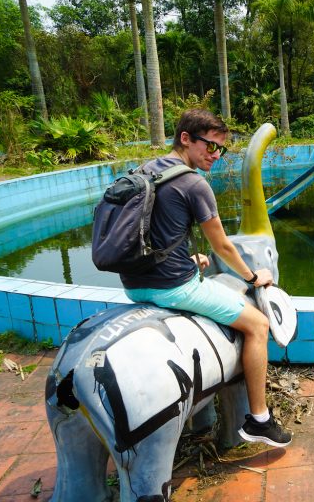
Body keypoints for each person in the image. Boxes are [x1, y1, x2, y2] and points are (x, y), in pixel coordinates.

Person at [120, 108, 291, 447]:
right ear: (185, 138)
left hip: (133, 284)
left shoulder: (146, 170)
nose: (215, 155)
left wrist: (185, 256)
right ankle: (259, 418)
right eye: (210, 147)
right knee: (258, 326)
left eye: (220, 149)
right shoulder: (193, 183)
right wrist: (252, 275)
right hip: (172, 287)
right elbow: (224, 246)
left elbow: (152, 230)